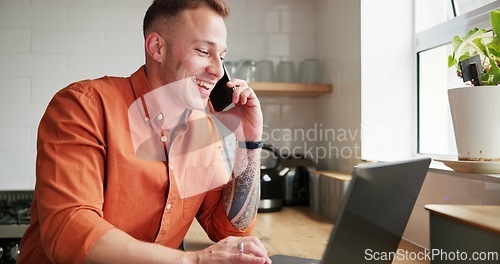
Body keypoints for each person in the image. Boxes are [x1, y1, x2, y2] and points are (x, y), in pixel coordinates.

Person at [18, 0, 271, 263]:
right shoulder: (83, 106)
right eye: (202, 51)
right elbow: (69, 231)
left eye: (222, 57)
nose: (218, 71)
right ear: (156, 47)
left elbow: (229, 228)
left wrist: (249, 140)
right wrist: (193, 260)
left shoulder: (202, 131)